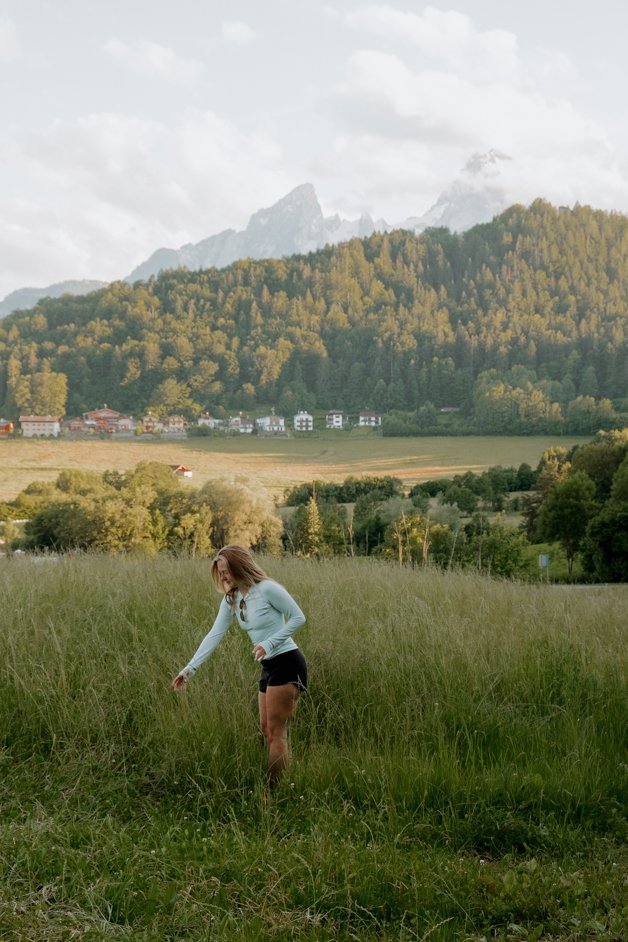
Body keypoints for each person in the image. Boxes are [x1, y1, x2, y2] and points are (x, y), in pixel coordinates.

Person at [172, 544, 307, 788]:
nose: (223, 576)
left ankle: (273, 792)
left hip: (287, 662)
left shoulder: (267, 589)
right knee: (266, 729)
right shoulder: (233, 599)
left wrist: (269, 642)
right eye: (220, 572)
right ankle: (279, 785)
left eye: (226, 570)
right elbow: (215, 634)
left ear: (239, 566)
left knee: (277, 734)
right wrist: (189, 669)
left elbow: (299, 617)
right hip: (267, 665)